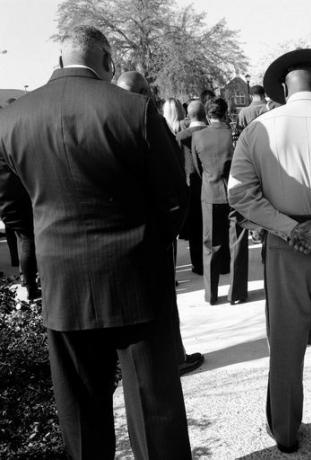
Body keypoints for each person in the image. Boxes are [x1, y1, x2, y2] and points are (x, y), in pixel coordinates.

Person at [0, 26, 192, 459]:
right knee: (154, 410)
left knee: (82, 416)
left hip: (63, 282)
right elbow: (174, 197)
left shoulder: (10, 120)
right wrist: (148, 246)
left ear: (62, 59)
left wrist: (49, 243)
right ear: (106, 59)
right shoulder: (136, 110)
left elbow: (12, 209)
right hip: (137, 279)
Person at [228, 48, 311, 455]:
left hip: (285, 249)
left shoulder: (259, 130)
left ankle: (286, 433)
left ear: (284, 87)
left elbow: (239, 194)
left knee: (285, 346)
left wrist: (289, 228)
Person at [117, 71, 204, 376]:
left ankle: (147, 361)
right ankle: (174, 357)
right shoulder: (149, 122)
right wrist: (170, 229)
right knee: (164, 301)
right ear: (146, 94)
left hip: (124, 230)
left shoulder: (108, 123)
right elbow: (176, 184)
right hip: (153, 229)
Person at [192, 97, 248, 305]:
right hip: (235, 194)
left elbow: (198, 169)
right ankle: (237, 293)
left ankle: (211, 294)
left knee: (210, 245)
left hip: (210, 193)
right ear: (225, 113)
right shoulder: (236, 136)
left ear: (208, 115)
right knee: (238, 243)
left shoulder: (198, 137)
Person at [176, 100, 206, 275]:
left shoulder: (180, 137)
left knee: (194, 228)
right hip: (210, 183)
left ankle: (197, 264)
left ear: (188, 115)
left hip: (189, 185)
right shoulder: (212, 132)